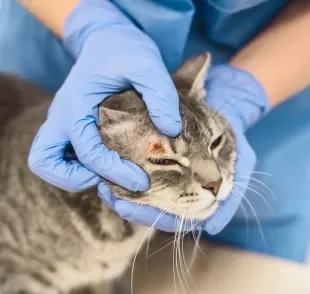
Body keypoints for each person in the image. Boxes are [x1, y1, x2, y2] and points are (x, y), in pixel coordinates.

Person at [1, 0, 309, 262]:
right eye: (165, 160)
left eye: (216, 143)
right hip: (56, 34)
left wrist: (246, 91)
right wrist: (89, 22)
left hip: (275, 63)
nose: (213, 181)